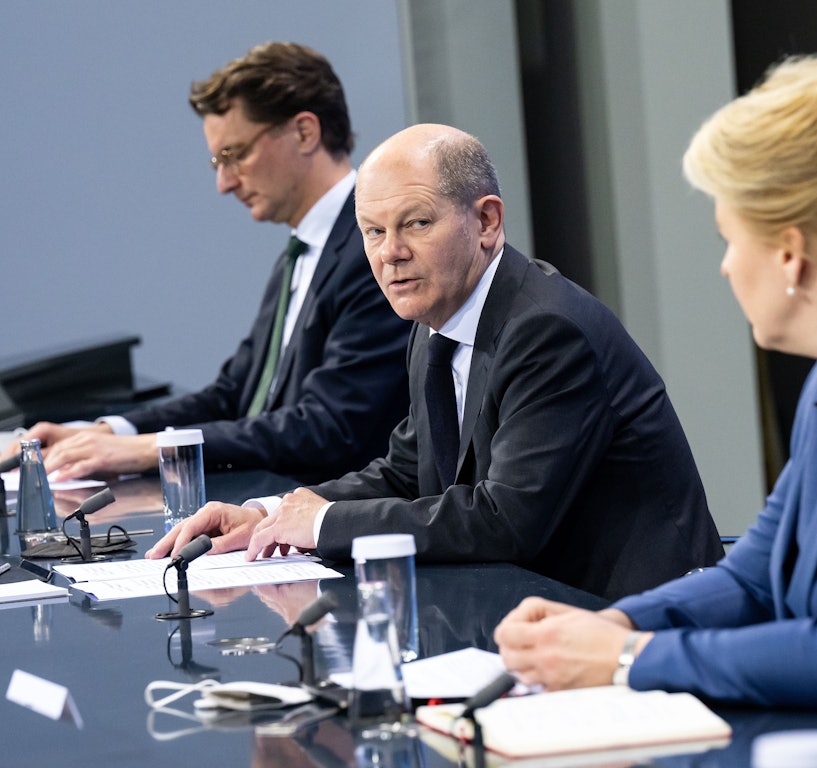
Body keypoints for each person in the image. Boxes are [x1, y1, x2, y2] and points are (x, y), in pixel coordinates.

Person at [494, 54, 817, 751]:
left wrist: (628, 660)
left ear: (790, 254)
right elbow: (755, 577)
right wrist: (615, 625)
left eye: (728, 238)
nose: (723, 265)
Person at [147, 122, 724, 600]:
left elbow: (504, 519)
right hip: (531, 599)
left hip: (629, 612)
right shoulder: (436, 322)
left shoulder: (548, 330)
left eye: (416, 223)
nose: (389, 254)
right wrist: (271, 516)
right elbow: (405, 471)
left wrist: (320, 525)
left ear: (487, 222)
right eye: (373, 231)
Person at [6, 43, 411, 484]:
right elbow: (232, 394)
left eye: (235, 155)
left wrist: (147, 449)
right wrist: (109, 431)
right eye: (218, 161)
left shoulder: (373, 251)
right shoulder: (299, 253)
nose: (224, 183)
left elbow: (326, 427)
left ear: (304, 132)